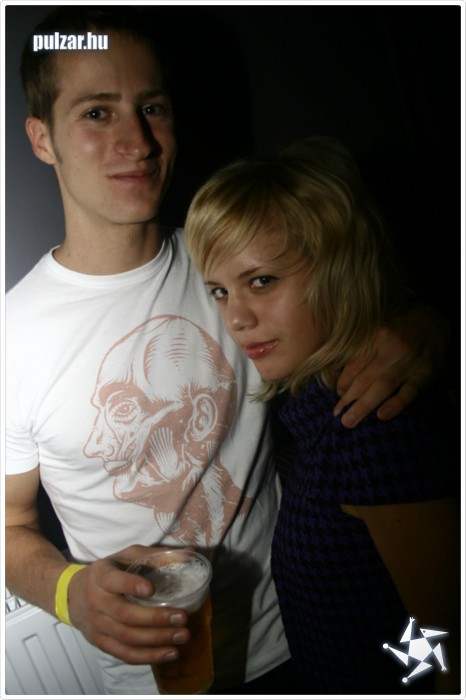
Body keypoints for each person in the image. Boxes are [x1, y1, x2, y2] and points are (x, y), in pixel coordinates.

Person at [4, 6, 449, 695]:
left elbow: (353, 295)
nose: (137, 141)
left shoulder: (231, 263)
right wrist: (69, 593)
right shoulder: (13, 336)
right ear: (42, 139)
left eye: (151, 107)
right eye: (96, 113)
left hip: (303, 642)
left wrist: (427, 326)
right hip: (151, 678)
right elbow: (7, 524)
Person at [184, 135, 460, 694]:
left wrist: (392, 683)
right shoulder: (315, 407)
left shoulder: (370, 425)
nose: (236, 318)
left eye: (262, 281)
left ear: (339, 269)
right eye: (219, 291)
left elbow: (443, 634)